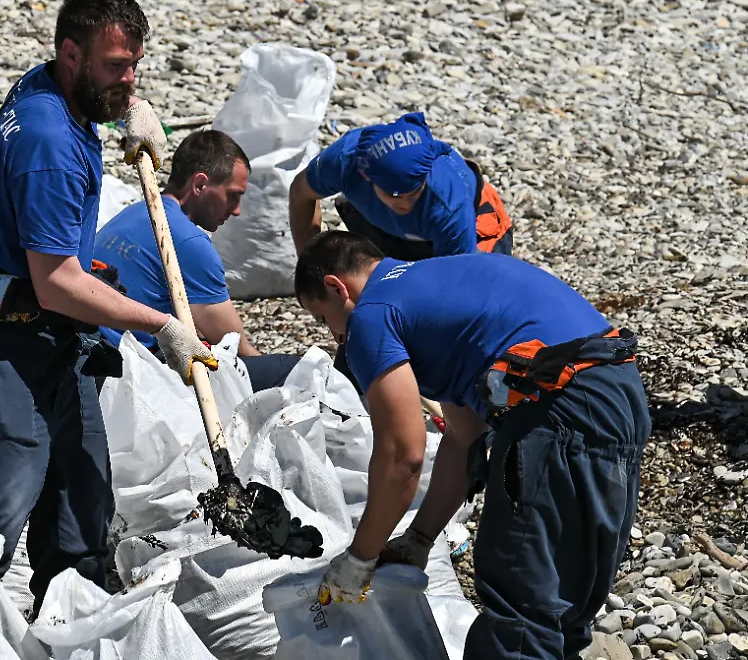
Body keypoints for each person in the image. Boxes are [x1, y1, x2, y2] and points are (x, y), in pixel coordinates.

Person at [0, 0, 218, 619]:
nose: (129, 77)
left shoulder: (53, 87)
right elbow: (58, 278)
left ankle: (73, 625)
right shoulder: (48, 146)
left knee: (82, 509)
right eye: (117, 67)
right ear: (70, 53)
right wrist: (162, 325)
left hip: (54, 340)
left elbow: (96, 95)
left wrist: (131, 112)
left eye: (135, 65)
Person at [293, 230, 650, 660]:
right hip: (618, 396)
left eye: (324, 319)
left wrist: (360, 557)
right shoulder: (434, 285)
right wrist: (420, 538)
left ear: (337, 287)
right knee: (562, 597)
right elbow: (463, 436)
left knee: (521, 604)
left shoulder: (371, 315)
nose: (335, 336)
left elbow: (402, 456)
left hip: (558, 407)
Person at [289, 111, 516, 384]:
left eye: (413, 191)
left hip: (471, 230)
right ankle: (355, 374)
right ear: (367, 177)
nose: (405, 204)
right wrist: (313, 272)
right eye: (395, 195)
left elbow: (456, 298)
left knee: (474, 330)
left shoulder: (448, 206)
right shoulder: (346, 161)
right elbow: (301, 193)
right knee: (368, 302)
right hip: (381, 222)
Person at [93, 129, 303, 392]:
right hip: (130, 374)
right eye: (233, 195)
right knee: (290, 370)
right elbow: (236, 348)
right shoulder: (188, 242)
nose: (236, 210)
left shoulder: (134, 212)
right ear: (200, 185)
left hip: (91, 355)